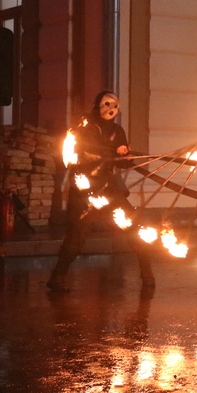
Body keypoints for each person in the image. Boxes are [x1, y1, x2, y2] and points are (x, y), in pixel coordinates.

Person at [48, 91, 155, 294]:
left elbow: (125, 163)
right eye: (106, 104)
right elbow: (73, 153)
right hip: (85, 190)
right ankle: (57, 277)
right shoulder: (85, 126)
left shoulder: (117, 131)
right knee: (77, 235)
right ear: (97, 105)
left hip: (110, 189)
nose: (110, 108)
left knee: (134, 227)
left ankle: (147, 274)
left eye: (114, 105)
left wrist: (125, 156)